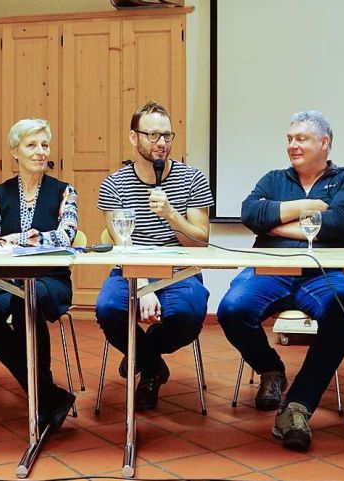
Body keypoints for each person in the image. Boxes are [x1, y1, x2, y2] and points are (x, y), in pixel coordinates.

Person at [217, 111, 344, 451]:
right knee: (232, 308)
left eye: (301, 139)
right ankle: (271, 370)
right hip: (271, 270)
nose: (292, 145)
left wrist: (277, 222)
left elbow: (341, 222)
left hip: (324, 273)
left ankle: (298, 405)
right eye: (289, 139)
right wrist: (309, 206)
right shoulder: (273, 178)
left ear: (324, 143)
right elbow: (251, 214)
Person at [95, 100, 213, 411]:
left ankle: (143, 358)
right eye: (152, 136)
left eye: (167, 136)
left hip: (180, 270)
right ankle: (152, 366)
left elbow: (200, 244)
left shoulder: (193, 179)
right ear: (134, 137)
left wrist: (172, 215)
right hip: (130, 268)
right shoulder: (114, 184)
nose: (161, 144)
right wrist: (143, 282)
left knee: (188, 314)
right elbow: (122, 243)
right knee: (108, 309)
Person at [0, 118, 79, 432]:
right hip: (1, 278)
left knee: (26, 300)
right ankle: (47, 395)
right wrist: (28, 238)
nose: (40, 152)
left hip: (49, 278)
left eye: (44, 145)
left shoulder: (64, 192)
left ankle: (43, 397)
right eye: (32, 145)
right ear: (14, 151)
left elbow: (65, 237)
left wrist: (16, 239)